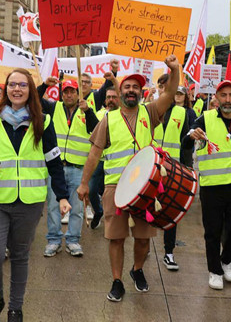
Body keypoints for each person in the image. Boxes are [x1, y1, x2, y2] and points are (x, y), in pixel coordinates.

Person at [76, 55, 181, 303]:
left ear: (141, 92)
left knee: (144, 238)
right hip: (115, 187)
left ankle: (137, 270)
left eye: (136, 87)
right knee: (116, 237)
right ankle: (117, 280)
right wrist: (83, 183)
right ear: (119, 91)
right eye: (127, 87)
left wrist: (174, 69)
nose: (131, 90)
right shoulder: (108, 119)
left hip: (146, 187)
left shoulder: (150, 112)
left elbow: (171, 91)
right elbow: (94, 153)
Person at [0, 69, 71, 322]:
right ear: (6, 89)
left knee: (20, 256)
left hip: (29, 202)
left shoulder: (43, 121)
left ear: (30, 89)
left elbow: (54, 161)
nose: (16, 89)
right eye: (12, 85)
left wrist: (62, 196)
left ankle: (15, 307)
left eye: (22, 85)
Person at [184, 79, 231, 289]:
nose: (227, 100)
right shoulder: (205, 119)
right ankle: (214, 270)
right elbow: (187, 138)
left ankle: (226, 259)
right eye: (223, 95)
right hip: (213, 186)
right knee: (213, 231)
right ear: (216, 98)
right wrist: (192, 135)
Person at [44, 79, 99, 258]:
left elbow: (96, 129)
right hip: (56, 168)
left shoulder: (86, 108)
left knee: (77, 207)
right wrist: (45, 85)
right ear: (61, 93)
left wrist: (88, 111)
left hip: (78, 168)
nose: (69, 95)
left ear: (78, 93)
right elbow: (35, 99)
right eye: (65, 91)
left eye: (72, 91)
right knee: (53, 205)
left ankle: (73, 240)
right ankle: (53, 240)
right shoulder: (53, 108)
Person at [154, 85, 196, 271]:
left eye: (177, 93)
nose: (172, 95)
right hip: (151, 166)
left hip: (172, 169)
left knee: (171, 210)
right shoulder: (150, 108)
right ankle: (144, 247)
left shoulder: (183, 112)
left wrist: (186, 171)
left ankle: (169, 252)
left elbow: (185, 144)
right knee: (146, 208)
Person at [89, 86, 121, 230]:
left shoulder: (125, 115)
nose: (111, 100)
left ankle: (115, 223)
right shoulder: (100, 114)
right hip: (99, 160)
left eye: (114, 97)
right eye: (108, 97)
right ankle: (98, 211)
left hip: (116, 163)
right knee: (91, 190)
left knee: (111, 194)